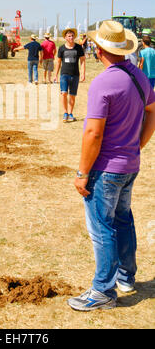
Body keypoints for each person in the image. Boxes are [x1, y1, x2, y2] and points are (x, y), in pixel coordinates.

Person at [69, 20, 155, 312]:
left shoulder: (103, 82)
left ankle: (103, 290)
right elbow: (152, 111)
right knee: (123, 220)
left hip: (105, 170)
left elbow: (93, 133)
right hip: (130, 165)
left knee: (102, 229)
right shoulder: (138, 75)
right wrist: (139, 143)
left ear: (98, 48)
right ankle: (126, 278)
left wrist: (82, 174)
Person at [54, 28, 85, 122]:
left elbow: (83, 61)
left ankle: (70, 113)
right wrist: (55, 75)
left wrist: (83, 73)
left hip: (75, 75)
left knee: (72, 95)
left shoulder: (79, 48)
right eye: (69, 36)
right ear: (65, 37)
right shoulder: (62, 48)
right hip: (64, 74)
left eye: (72, 36)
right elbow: (58, 62)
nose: (71, 37)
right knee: (64, 93)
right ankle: (65, 112)